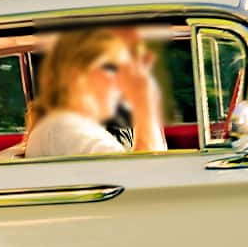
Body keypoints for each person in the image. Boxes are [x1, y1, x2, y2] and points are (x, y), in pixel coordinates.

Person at [23, 28, 166, 159]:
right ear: (76, 75)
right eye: (110, 68)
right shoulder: (71, 131)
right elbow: (149, 174)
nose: (121, 81)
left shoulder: (62, 126)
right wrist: (143, 98)